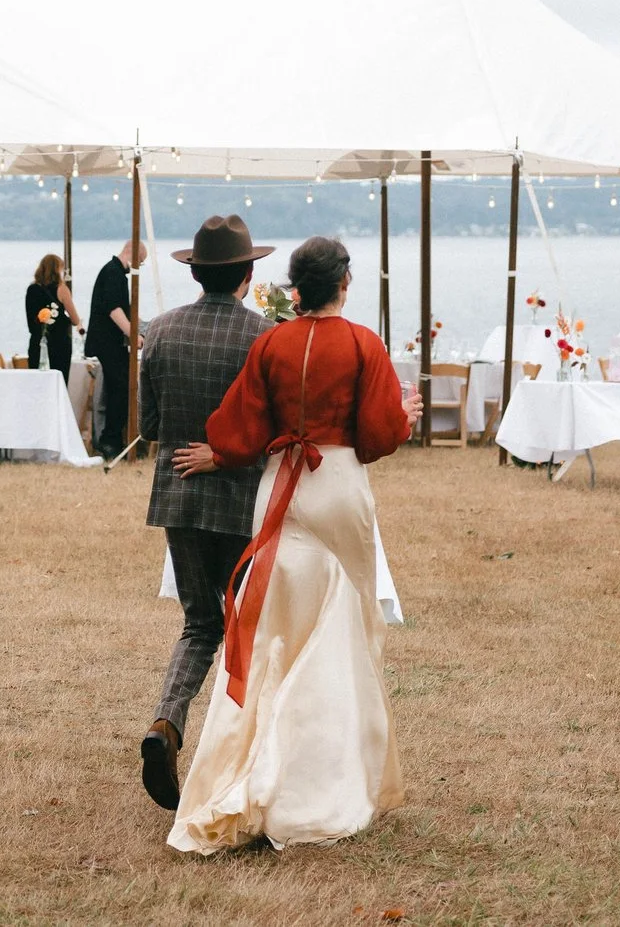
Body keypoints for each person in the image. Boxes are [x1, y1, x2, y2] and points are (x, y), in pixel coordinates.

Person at [166, 232, 414, 854]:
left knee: (276, 619)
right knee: (341, 624)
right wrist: (403, 417)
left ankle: (257, 759)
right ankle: (321, 778)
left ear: (296, 288)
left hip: (281, 484)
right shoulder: (363, 343)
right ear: (345, 284)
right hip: (337, 483)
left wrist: (224, 448)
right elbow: (378, 434)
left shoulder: (271, 343)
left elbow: (237, 428)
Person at [136, 215, 272, 810]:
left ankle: (166, 721)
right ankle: (240, 755)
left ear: (196, 273)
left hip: (178, 494)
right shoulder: (263, 337)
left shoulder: (161, 331)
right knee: (248, 628)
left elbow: (149, 425)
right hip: (242, 498)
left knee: (200, 623)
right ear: (247, 275)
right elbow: (270, 429)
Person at [87, 240, 146, 458]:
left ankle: (113, 438)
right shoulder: (113, 273)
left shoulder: (115, 273)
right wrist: (134, 335)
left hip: (112, 342)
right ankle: (109, 440)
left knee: (120, 388)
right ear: (132, 253)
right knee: (121, 387)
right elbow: (114, 310)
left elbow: (125, 310)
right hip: (107, 341)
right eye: (140, 261)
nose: (139, 266)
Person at [26, 253, 79, 377]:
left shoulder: (32, 289)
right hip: (59, 344)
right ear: (57, 270)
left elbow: (31, 320)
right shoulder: (62, 289)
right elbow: (75, 320)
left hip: (37, 343)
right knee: (59, 380)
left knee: (37, 381)